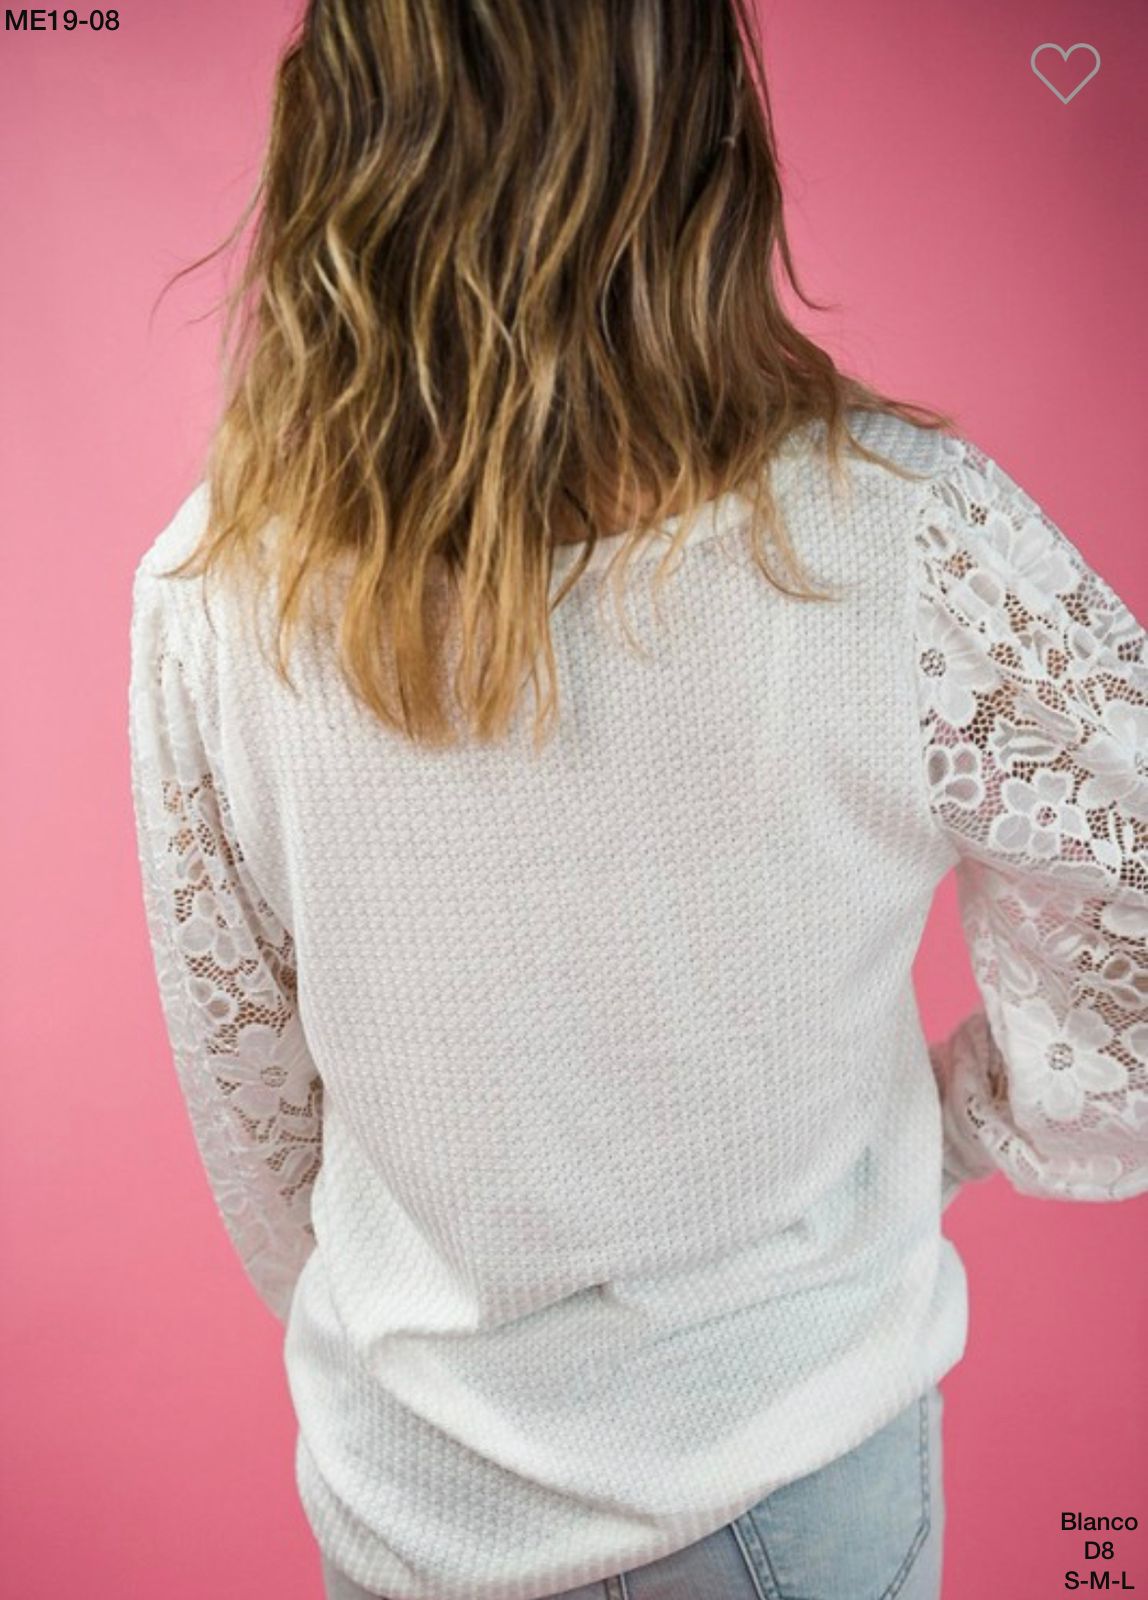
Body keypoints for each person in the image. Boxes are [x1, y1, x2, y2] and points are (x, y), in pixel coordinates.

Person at [126, 3, 1148, 1598]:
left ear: (339, 144)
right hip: (788, 1478)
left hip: (408, 1508)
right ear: (698, 148)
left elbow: (254, 1103)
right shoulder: (900, 535)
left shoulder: (212, 591)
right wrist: (956, 1128)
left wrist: (439, 1340)